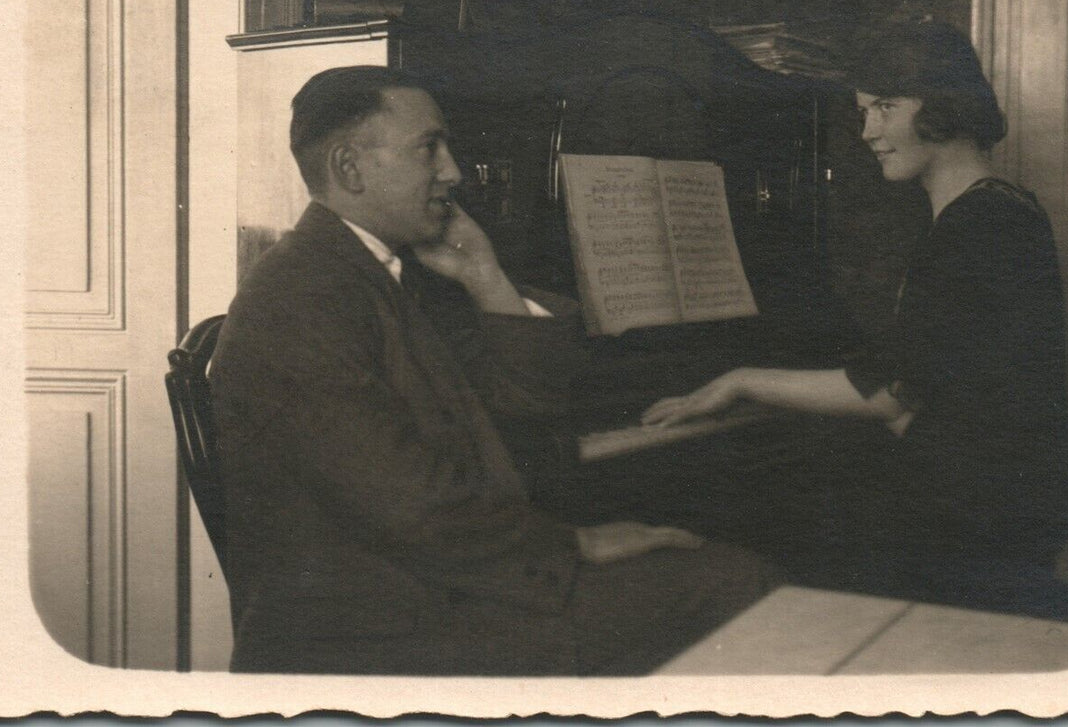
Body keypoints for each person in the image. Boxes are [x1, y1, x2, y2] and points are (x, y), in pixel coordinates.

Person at [209, 65, 776, 675]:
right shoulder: (303, 296)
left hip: (437, 583)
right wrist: (573, 543)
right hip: (379, 628)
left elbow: (520, 409)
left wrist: (487, 277)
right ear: (350, 168)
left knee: (724, 575)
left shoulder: (370, 270)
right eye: (430, 148)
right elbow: (407, 502)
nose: (453, 171)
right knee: (742, 587)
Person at [642, 21, 1068, 593]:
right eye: (862, 113)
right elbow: (940, 382)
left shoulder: (973, 228)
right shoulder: (1004, 210)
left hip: (988, 515)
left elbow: (888, 394)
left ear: (941, 105)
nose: (867, 132)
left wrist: (741, 379)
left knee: (772, 542)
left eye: (883, 108)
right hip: (1004, 496)